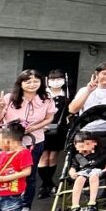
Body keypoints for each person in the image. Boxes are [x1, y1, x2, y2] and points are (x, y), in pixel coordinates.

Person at [0, 69, 56, 211]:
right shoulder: (9, 98)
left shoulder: (46, 98)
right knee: (6, 172)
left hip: (35, 141)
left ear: (41, 82)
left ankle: (25, 207)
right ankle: (3, 204)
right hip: (9, 143)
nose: (32, 84)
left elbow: (49, 118)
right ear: (20, 83)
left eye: (36, 81)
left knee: (29, 175)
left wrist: (34, 127)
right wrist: (0, 108)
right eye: (28, 81)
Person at [37, 69, 70, 199]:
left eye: (59, 78)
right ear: (47, 81)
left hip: (59, 130)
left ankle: (48, 184)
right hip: (43, 129)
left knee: (53, 157)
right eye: (53, 79)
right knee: (44, 157)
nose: (56, 82)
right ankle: (46, 184)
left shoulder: (67, 94)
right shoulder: (42, 95)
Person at [65, 130, 106, 211]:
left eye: (87, 145)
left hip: (97, 171)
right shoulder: (78, 156)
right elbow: (73, 167)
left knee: (93, 175)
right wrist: (72, 173)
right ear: (75, 145)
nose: (84, 148)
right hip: (83, 172)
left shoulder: (100, 152)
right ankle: (75, 206)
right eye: (81, 146)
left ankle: (92, 203)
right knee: (79, 178)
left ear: (94, 143)